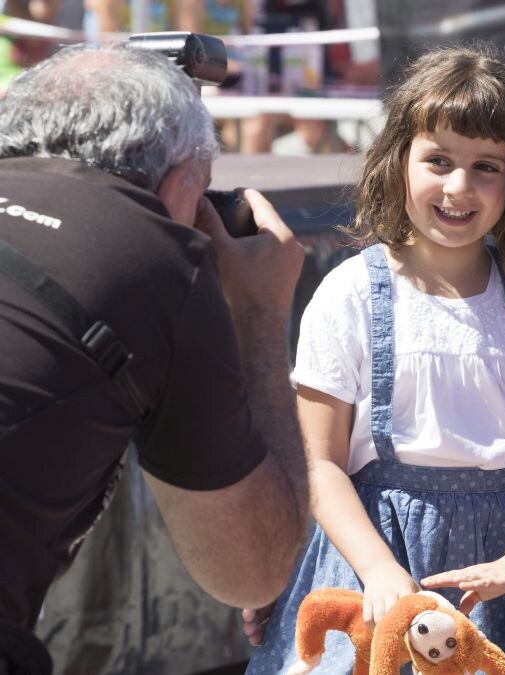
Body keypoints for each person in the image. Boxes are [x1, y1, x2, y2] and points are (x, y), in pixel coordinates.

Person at [242, 43, 505, 675]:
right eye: (438, 160)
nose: (460, 187)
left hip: (502, 583)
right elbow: (319, 464)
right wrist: (379, 567)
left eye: (486, 167)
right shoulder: (350, 293)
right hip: (369, 566)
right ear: (398, 161)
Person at [0, 42, 309, 672]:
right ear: (177, 183)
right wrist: (258, 314)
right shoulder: (156, 256)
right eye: (201, 188)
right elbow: (252, 570)